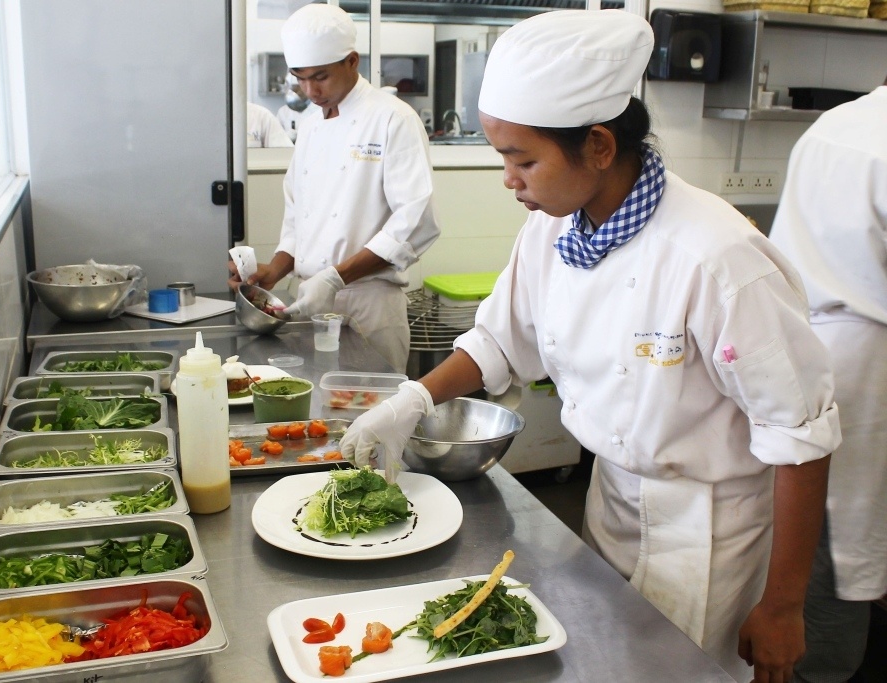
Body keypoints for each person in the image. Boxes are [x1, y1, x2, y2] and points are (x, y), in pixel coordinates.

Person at [339, 10, 841, 683]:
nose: (509, 179)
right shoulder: (552, 229)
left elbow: (800, 439)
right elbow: (498, 340)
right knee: (598, 664)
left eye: (524, 160)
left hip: (709, 531)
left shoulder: (716, 258)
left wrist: (782, 607)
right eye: (502, 158)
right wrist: (412, 398)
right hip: (608, 499)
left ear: (599, 146)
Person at [230, 3, 440, 373]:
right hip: (309, 299)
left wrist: (336, 276)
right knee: (313, 414)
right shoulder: (310, 124)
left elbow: (416, 219)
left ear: (352, 61)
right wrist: (274, 272)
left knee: (370, 417)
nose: (310, 90)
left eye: (321, 77)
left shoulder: (392, 118)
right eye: (300, 77)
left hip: (369, 303)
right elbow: (300, 215)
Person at [768, 75, 887, 683]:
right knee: (840, 554)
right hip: (868, 375)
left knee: (818, 545)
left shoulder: (836, 124)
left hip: (804, 350)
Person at [276, 74, 320, 142]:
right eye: (291, 89)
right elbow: (276, 137)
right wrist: (286, 137)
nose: (293, 93)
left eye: (296, 89)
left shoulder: (319, 110)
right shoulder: (283, 111)